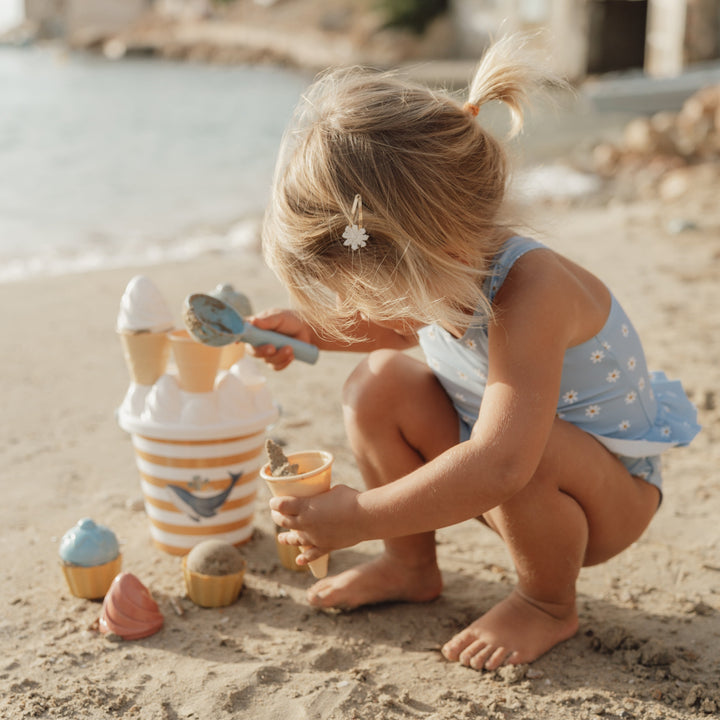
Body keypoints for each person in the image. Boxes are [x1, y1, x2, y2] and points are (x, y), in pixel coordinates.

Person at [249, 35, 701, 671]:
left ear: (443, 256)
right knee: (376, 384)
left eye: (377, 294)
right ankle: (409, 565)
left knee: (523, 447)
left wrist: (358, 516)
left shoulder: (534, 290)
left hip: (603, 500)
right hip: (501, 468)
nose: (370, 313)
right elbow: (400, 330)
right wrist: (308, 329)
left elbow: (500, 465)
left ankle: (547, 603)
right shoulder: (450, 273)